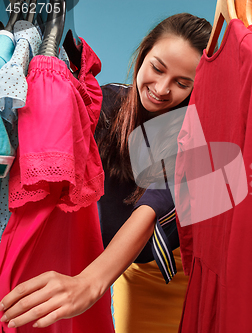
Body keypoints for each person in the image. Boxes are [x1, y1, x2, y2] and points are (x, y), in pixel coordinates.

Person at [0, 13, 212, 331]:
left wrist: (90, 282)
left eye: (182, 83)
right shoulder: (107, 103)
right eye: (157, 68)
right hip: (116, 263)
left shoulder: (192, 137)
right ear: (143, 55)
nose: (162, 88)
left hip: (169, 269)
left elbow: (151, 208)